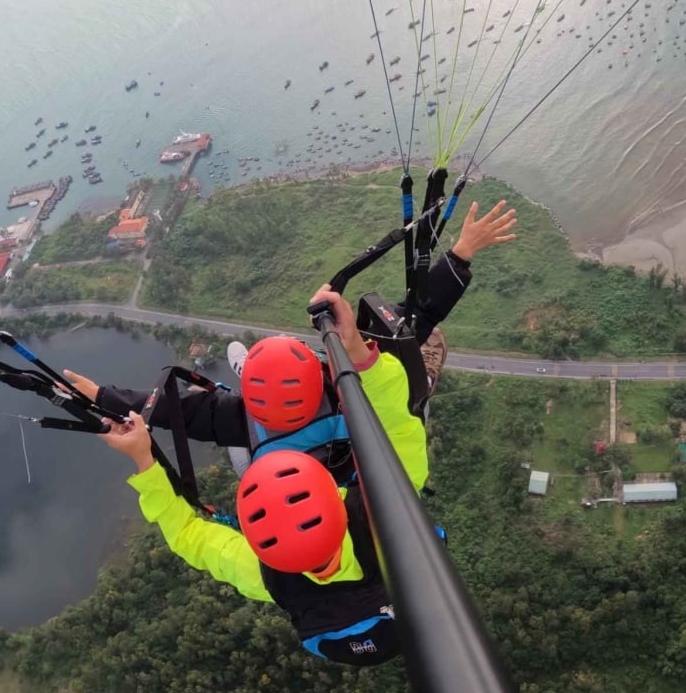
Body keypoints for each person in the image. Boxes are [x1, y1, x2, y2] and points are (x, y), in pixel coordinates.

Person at [66, 199, 516, 478]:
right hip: (340, 448)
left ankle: (254, 389)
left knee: (237, 439)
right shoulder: (364, 396)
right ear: (320, 371)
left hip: (280, 457)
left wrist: (103, 396)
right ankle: (255, 415)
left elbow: (168, 409)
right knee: (422, 344)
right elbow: (419, 321)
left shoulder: (241, 415)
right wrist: (461, 253)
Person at [97, 289, 427, 665]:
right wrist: (355, 350)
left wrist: (144, 459)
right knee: (244, 450)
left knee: (243, 442)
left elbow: (190, 536)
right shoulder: (387, 516)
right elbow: (397, 423)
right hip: (370, 618)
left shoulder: (272, 572)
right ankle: (248, 404)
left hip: (356, 629)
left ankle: (246, 391)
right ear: (339, 497)